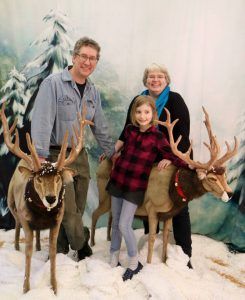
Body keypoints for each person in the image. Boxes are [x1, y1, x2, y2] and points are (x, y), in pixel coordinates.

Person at [31, 37, 115, 260]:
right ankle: (82, 244)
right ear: (74, 57)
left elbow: (100, 125)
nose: (88, 62)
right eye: (84, 57)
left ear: (96, 61)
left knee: (75, 208)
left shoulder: (92, 91)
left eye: (93, 58)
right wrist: (40, 157)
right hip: (57, 156)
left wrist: (113, 152)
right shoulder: (53, 84)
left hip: (81, 156)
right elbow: (41, 121)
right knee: (67, 211)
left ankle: (59, 249)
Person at [117, 63, 193, 268]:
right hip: (147, 158)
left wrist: (172, 157)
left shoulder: (175, 100)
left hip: (174, 158)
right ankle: (153, 236)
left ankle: (186, 252)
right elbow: (128, 129)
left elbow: (184, 135)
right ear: (146, 80)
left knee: (178, 203)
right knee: (147, 197)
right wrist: (116, 151)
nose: (155, 80)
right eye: (151, 76)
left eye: (160, 76)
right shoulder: (139, 100)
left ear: (166, 79)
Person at [107, 95, 187, 281]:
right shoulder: (129, 131)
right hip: (118, 180)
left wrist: (168, 158)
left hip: (135, 187)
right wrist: (111, 153)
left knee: (124, 224)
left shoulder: (157, 137)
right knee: (116, 220)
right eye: (138, 112)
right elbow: (119, 145)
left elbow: (174, 156)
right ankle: (113, 256)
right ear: (134, 114)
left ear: (153, 114)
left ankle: (134, 261)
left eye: (146, 112)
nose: (142, 116)